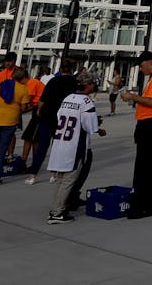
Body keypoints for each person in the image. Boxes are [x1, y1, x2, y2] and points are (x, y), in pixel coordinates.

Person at [45, 71, 106, 224]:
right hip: (75, 146)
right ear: (89, 85)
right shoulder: (86, 102)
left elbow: (60, 117)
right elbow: (90, 126)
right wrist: (100, 128)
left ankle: (57, 208)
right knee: (69, 180)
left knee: (60, 179)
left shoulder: (67, 98)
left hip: (60, 143)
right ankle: (57, 212)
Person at [119, 50, 152, 219]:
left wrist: (132, 96)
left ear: (149, 62)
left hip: (150, 123)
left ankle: (144, 205)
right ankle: (141, 201)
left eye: (141, 66)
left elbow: (151, 101)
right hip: (148, 122)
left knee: (145, 166)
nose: (141, 70)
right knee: (143, 164)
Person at [26, 57, 79, 183]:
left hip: (48, 114)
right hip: (64, 117)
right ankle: (54, 174)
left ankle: (33, 175)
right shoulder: (73, 82)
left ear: (60, 69)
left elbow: (43, 99)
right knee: (57, 147)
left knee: (42, 146)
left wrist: (39, 111)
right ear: (71, 70)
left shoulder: (53, 81)